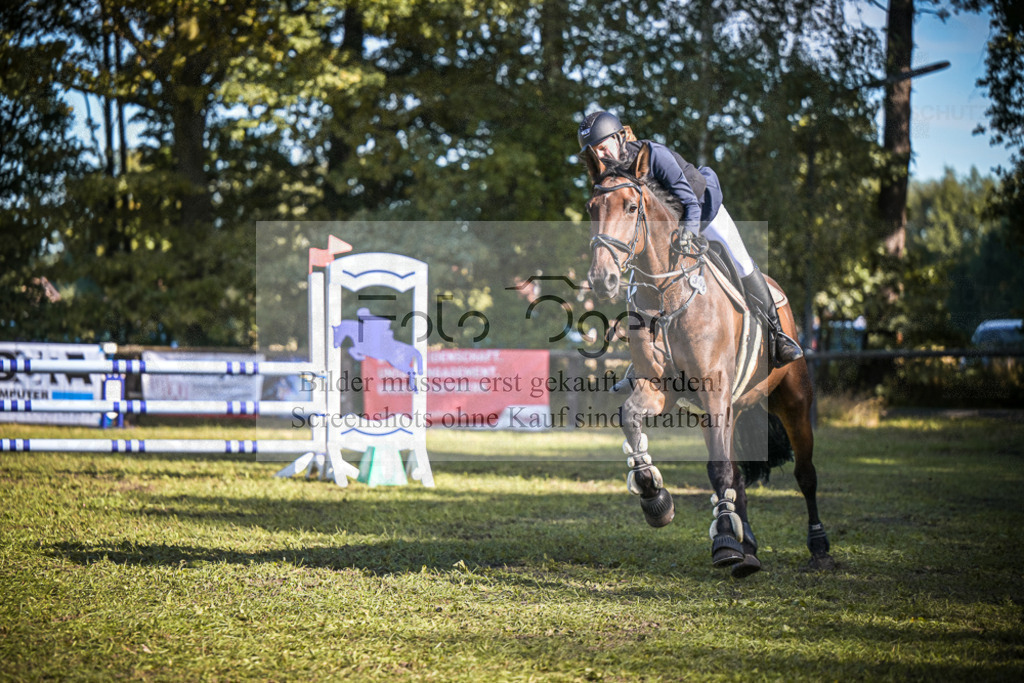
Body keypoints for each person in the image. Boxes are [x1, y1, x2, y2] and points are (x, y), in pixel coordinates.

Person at [577, 110, 803, 367]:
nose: (600, 156)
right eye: (594, 152)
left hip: (704, 210)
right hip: (667, 230)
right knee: (638, 282)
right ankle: (641, 362)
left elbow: (689, 203)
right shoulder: (608, 179)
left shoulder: (653, 155)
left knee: (742, 264)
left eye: (603, 148)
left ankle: (778, 336)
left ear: (619, 139)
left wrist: (689, 234)